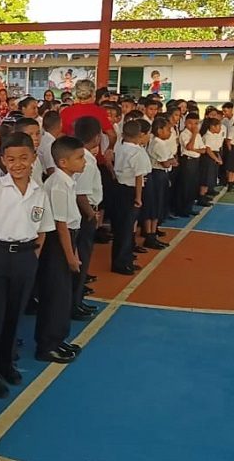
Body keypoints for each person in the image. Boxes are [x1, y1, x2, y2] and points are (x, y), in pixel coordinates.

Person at [0, 132, 54, 398]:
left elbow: (42, 229)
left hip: (25, 257)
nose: (17, 164)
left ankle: (6, 363)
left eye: (23, 158)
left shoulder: (39, 192)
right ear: (3, 161)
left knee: (14, 315)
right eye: (11, 159)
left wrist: (33, 256)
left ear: (33, 158)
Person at [36, 136, 87, 363]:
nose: (84, 161)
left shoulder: (66, 181)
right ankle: (47, 345)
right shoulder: (58, 184)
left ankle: (58, 339)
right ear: (63, 162)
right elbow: (60, 225)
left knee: (63, 294)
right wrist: (70, 256)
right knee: (55, 295)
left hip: (67, 239)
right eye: (79, 157)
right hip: (58, 243)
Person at [71, 118, 104, 320]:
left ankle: (77, 299)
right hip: (85, 212)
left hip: (85, 210)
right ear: (97, 137)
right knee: (81, 256)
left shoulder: (83, 157)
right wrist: (92, 215)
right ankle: (74, 302)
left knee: (83, 256)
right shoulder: (86, 162)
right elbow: (81, 194)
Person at [112, 121, 151, 275]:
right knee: (127, 229)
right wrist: (138, 198)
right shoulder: (137, 152)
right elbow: (139, 177)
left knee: (122, 228)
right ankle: (122, 263)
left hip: (120, 188)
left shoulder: (121, 147)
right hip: (131, 191)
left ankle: (123, 260)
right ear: (140, 135)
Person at [143, 117, 175, 250]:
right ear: (159, 130)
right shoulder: (158, 143)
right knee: (154, 204)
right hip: (157, 174)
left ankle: (153, 231)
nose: (170, 132)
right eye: (168, 130)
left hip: (159, 174)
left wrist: (171, 160)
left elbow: (170, 158)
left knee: (157, 204)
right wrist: (171, 161)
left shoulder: (159, 142)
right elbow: (166, 162)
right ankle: (150, 234)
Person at [176, 113, 205, 218]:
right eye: (190, 123)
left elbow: (203, 150)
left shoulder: (198, 134)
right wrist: (193, 135)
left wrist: (195, 149)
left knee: (193, 186)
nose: (193, 126)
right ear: (185, 123)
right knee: (185, 186)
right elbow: (189, 147)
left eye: (196, 123)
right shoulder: (184, 134)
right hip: (187, 161)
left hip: (196, 161)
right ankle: (182, 209)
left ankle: (189, 207)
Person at [199, 117, 224, 204]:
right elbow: (208, 150)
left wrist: (219, 157)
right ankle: (201, 196)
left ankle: (205, 194)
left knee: (210, 177)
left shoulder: (215, 135)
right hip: (208, 158)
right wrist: (216, 159)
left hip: (214, 155)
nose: (220, 128)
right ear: (212, 126)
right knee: (205, 177)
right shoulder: (207, 136)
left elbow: (217, 148)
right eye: (218, 126)